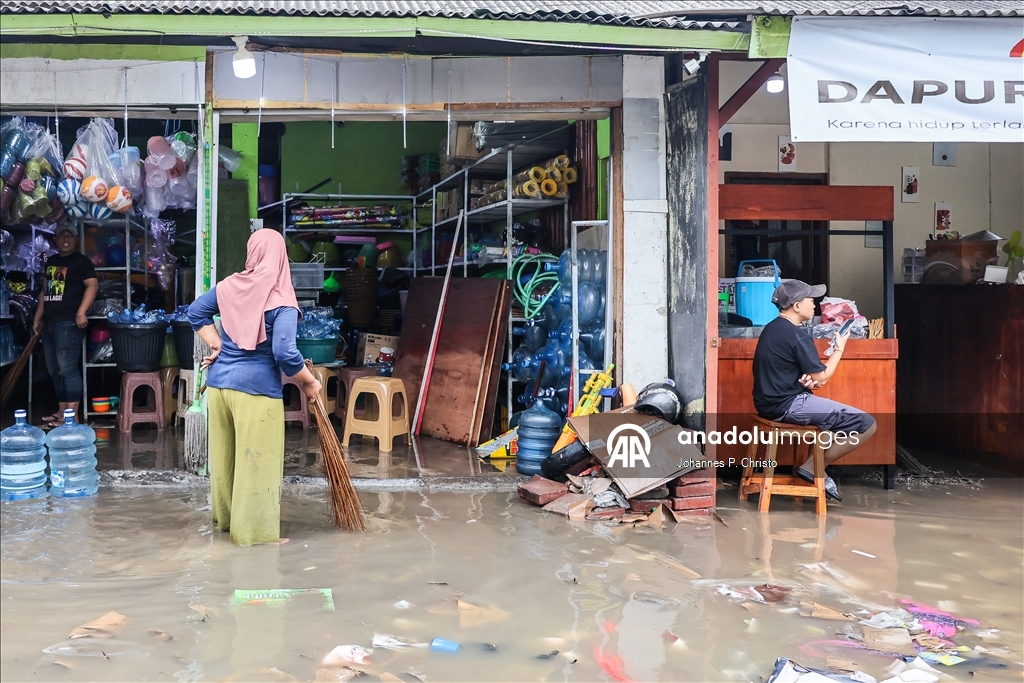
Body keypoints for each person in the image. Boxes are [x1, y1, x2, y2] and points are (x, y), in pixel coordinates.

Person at [187, 229, 321, 546]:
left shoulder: (229, 286)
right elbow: (285, 353)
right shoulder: (282, 301)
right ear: (281, 257)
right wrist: (309, 381)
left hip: (219, 387)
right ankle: (255, 535)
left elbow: (195, 312)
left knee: (225, 461)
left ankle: (226, 523)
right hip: (256, 392)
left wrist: (218, 345)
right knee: (257, 463)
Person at [752, 280, 876, 502]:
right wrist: (839, 348)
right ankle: (813, 468)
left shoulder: (771, 329)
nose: (815, 305)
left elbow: (803, 376)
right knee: (866, 424)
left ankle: (814, 468)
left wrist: (808, 381)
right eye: (811, 300)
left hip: (768, 404)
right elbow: (823, 378)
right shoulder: (796, 335)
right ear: (797, 306)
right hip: (787, 405)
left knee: (829, 427)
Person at [32, 224, 98, 427]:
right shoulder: (52, 262)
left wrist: (81, 312)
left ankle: (72, 415)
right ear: (56, 240)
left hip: (69, 322)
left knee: (67, 369)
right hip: (50, 323)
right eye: (62, 235)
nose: (66, 239)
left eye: (70, 235)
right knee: (54, 370)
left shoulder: (81, 262)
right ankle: (61, 411)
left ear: (76, 240)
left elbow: (92, 285)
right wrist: (37, 317)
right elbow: (45, 291)